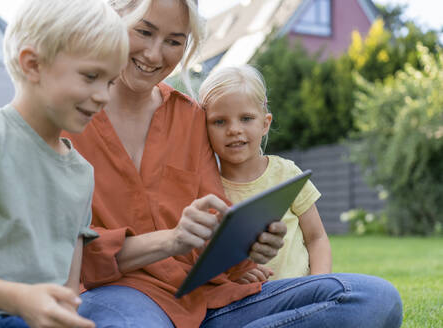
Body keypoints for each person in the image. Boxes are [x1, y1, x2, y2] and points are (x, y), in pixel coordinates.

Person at [65, 0, 403, 327]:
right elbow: (67, 256)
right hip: (123, 297)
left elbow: (215, 224)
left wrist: (247, 246)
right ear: (113, 17)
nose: (154, 54)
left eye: (173, 41)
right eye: (144, 31)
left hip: (211, 300)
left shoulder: (190, 118)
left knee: (374, 298)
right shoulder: (66, 119)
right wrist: (171, 241)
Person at [0, 0, 128, 327]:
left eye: (111, 82)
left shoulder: (82, 173)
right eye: (91, 76)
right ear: (32, 65)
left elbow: (69, 290)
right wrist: (19, 299)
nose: (103, 95)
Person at [199, 65, 332, 282]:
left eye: (246, 118)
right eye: (219, 121)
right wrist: (232, 275)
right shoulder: (204, 187)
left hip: (299, 293)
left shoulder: (287, 174)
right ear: (204, 128)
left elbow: (316, 238)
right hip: (244, 303)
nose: (234, 129)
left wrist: (319, 284)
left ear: (265, 123)